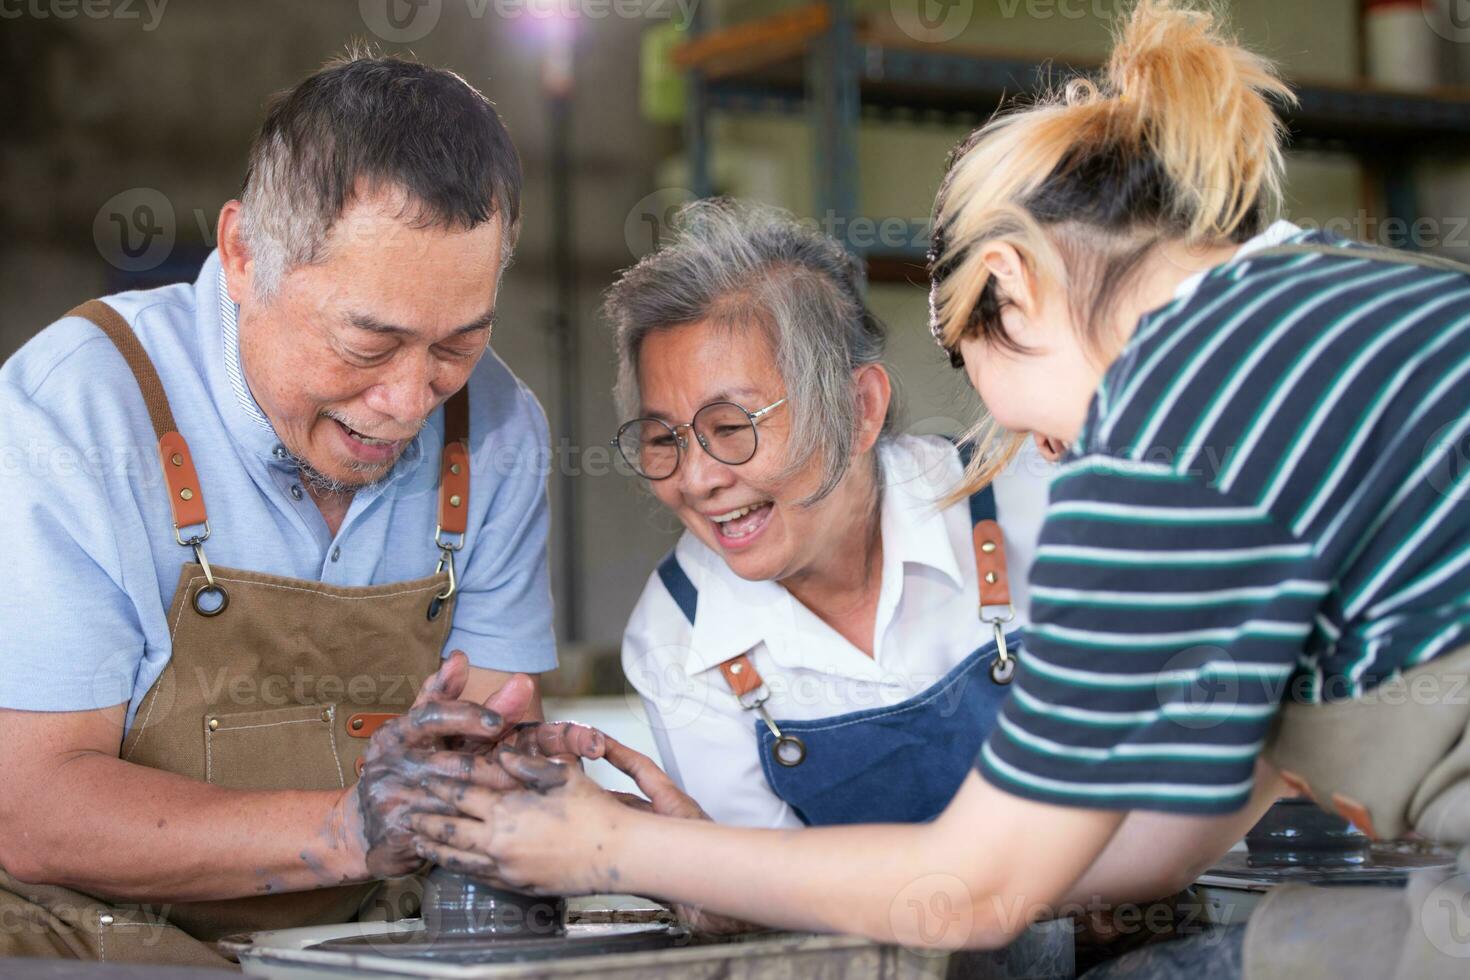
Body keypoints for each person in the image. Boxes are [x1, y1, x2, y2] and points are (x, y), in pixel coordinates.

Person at [407, 3, 1470, 976]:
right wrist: (705, 866)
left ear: (1013, 285)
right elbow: (1162, 822)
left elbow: (979, 884)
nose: (1036, 445)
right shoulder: (1366, 294)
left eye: (1010, 401)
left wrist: (617, 844)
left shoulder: (1167, 425)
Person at [0, 54, 603, 965]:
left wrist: (517, 776)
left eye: (458, 344)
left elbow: (485, 749)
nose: (409, 401)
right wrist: (345, 830)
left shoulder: (499, 427)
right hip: (95, 945)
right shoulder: (75, 411)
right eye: (369, 342)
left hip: (366, 942)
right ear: (244, 256)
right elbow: (32, 810)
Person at [609, 201, 1053, 830]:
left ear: (860, 410)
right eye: (663, 439)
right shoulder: (675, 634)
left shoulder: (1024, 500)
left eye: (732, 427)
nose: (697, 478)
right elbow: (766, 891)